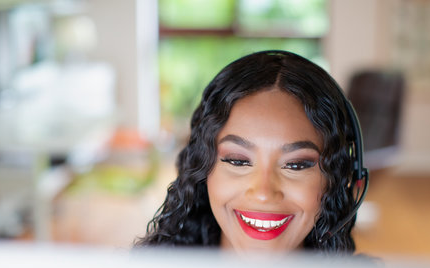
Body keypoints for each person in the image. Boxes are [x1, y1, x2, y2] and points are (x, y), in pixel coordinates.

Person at [138, 50, 368, 255]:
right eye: (238, 161)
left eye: (296, 165)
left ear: (337, 178)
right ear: (201, 169)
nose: (263, 193)